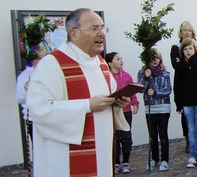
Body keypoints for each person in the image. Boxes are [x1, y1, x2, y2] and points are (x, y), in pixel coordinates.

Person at [27, 8, 131, 176]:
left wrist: (117, 103)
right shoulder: (52, 64)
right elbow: (39, 110)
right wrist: (86, 105)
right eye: (94, 28)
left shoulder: (101, 64)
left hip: (101, 154)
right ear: (73, 33)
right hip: (65, 159)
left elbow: (108, 99)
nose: (101, 33)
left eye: (103, 28)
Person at [174, 38, 197, 168]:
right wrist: (178, 104)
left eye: (190, 48)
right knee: (191, 130)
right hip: (187, 103)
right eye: (185, 49)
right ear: (182, 51)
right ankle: (193, 155)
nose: (188, 51)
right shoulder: (180, 66)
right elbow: (177, 86)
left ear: (194, 49)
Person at [170, 21, 197, 153]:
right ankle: (189, 141)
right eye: (184, 30)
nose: (186, 32)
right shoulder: (175, 47)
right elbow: (175, 64)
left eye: (189, 30)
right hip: (184, 86)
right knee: (186, 119)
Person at [137, 48, 172, 171]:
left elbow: (168, 90)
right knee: (152, 135)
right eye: (152, 58)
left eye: (157, 58)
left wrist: (156, 93)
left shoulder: (165, 73)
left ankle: (164, 160)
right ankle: (154, 159)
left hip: (163, 107)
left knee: (163, 134)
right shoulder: (142, 73)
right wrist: (146, 78)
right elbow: (140, 89)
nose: (155, 60)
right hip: (150, 108)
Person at [105, 52, 139, 174]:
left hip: (126, 111)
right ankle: (116, 162)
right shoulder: (106, 77)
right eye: (117, 59)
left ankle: (126, 162)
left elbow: (132, 91)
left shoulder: (127, 76)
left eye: (121, 58)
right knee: (115, 138)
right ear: (110, 63)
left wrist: (135, 103)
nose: (121, 61)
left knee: (126, 136)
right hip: (112, 111)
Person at [16, 44, 47, 141]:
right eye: (37, 58)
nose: (41, 61)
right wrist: (25, 89)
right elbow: (19, 98)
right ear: (32, 60)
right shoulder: (25, 75)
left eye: (43, 58)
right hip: (32, 119)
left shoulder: (50, 72)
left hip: (49, 116)